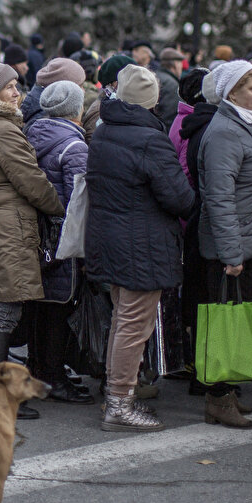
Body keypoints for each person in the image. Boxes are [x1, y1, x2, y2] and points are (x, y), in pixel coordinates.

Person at [86, 65, 195, 432]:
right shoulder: (148, 139)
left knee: (122, 321)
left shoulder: (104, 131)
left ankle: (117, 396)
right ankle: (119, 403)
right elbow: (179, 197)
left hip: (111, 239)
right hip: (141, 244)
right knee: (134, 325)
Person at [0, 59, 65, 420]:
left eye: (17, 85)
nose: (17, 93)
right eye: (9, 87)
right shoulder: (1, 130)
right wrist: (59, 206)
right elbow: (30, 180)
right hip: (8, 225)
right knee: (4, 309)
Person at [196, 61, 252, 428]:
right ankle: (218, 397)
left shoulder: (245, 124)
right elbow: (219, 197)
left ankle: (226, 394)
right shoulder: (226, 131)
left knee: (239, 319)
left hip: (244, 244)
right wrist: (231, 253)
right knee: (224, 323)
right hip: (229, 249)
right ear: (231, 93)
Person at [24, 79, 94, 404]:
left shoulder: (31, 134)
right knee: (58, 311)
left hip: (35, 239)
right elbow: (77, 205)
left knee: (40, 310)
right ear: (77, 110)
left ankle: (40, 370)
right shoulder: (75, 147)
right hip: (62, 242)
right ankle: (52, 377)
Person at [22, 57, 85, 129]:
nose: (83, 91)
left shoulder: (41, 111)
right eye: (80, 86)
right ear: (63, 89)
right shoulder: (43, 120)